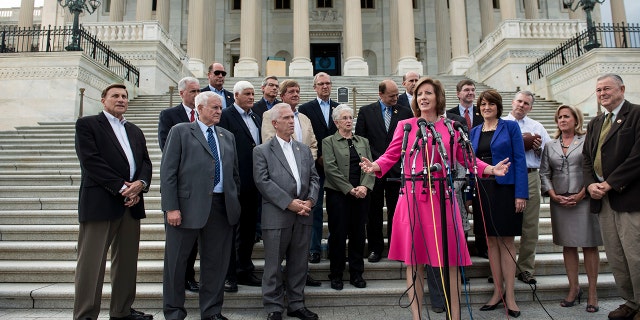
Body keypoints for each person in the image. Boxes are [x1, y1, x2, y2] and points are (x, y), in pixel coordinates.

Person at [360, 77, 510, 320]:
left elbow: (467, 157)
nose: (423, 98)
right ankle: (417, 316)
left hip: (443, 198)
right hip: (412, 199)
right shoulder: (406, 125)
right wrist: (374, 165)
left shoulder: (451, 127)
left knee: (449, 259)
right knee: (415, 261)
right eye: (419, 94)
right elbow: (391, 155)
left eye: (428, 93)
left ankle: (455, 316)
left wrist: (491, 169)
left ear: (438, 97)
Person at [73, 83, 153, 320]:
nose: (121, 99)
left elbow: (146, 163)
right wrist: (122, 188)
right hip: (101, 203)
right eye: (115, 96)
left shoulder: (135, 131)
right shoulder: (88, 125)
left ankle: (121, 311)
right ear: (103, 100)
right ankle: (86, 314)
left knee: (127, 263)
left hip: (131, 205)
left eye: (124, 96)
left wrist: (140, 184)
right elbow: (91, 161)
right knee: (91, 265)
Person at [160, 91, 240, 320]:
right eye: (214, 107)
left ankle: (212, 311)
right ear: (199, 109)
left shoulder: (227, 136)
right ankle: (174, 312)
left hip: (221, 208)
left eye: (220, 108)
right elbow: (168, 173)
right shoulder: (181, 132)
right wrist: (171, 207)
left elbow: (234, 174)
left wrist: (233, 202)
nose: (219, 111)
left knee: (215, 264)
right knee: (176, 264)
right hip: (185, 209)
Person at [253, 104, 320, 320]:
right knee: (273, 264)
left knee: (299, 263)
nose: (292, 121)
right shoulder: (262, 150)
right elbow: (262, 181)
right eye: (286, 118)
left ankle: (296, 304)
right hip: (277, 214)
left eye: (293, 117)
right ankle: (273, 306)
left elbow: (314, 178)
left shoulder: (303, 149)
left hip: (303, 214)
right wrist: (289, 202)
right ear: (275, 123)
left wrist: (309, 201)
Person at [583, 73, 640, 320]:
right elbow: (586, 158)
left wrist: (610, 183)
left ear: (622, 89)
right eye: (598, 90)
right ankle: (631, 302)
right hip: (603, 201)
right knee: (616, 255)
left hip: (628, 197)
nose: (602, 93)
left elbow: (637, 157)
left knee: (635, 253)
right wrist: (590, 186)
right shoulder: (596, 122)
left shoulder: (636, 115)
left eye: (607, 88)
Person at [470, 89, 527, 318]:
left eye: (490, 104)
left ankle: (511, 296)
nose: (486, 107)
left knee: (506, 242)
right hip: (483, 190)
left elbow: (520, 160)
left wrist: (521, 194)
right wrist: (468, 196)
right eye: (483, 104)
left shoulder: (510, 127)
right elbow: (469, 163)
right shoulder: (473, 131)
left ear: (498, 106)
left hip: (507, 189)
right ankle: (497, 293)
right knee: (491, 243)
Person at [540, 104, 602, 312]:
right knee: (568, 245)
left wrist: (582, 193)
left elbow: (595, 168)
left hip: (583, 199)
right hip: (560, 201)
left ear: (576, 119)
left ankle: (592, 292)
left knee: (589, 245)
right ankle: (573, 289)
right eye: (559, 117)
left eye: (567, 116)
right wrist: (553, 194)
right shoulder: (550, 145)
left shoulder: (587, 141)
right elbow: (544, 173)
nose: (562, 120)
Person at [355, 79, 413, 263]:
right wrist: (376, 162)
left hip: (397, 170)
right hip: (374, 169)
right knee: (374, 212)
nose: (396, 98)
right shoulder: (366, 111)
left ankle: (398, 248)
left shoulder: (405, 111)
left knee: (397, 212)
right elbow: (361, 141)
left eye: (397, 95)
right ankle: (375, 248)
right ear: (380, 94)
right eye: (391, 96)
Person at [157, 76, 201, 293]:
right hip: (180, 185)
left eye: (198, 91)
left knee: (193, 242)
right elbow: (167, 148)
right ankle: (175, 282)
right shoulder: (168, 116)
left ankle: (189, 276)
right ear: (182, 93)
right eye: (192, 91)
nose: (196, 95)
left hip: (200, 189)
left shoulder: (204, 116)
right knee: (177, 242)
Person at [323, 104, 375, 290]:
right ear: (336, 122)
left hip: (361, 194)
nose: (348, 121)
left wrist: (364, 186)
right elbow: (330, 169)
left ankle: (356, 274)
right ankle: (336, 275)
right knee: (338, 235)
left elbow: (371, 167)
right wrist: (349, 189)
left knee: (358, 235)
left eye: (350, 118)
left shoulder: (363, 141)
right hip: (339, 195)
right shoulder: (328, 141)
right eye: (344, 118)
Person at [218, 81, 262, 292]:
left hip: (254, 185)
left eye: (253, 93)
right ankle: (229, 275)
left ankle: (245, 269)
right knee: (231, 232)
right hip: (234, 183)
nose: (252, 97)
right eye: (247, 94)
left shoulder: (255, 117)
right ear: (235, 95)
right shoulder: (225, 116)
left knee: (248, 231)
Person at [503, 90, 550, 285]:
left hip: (530, 174)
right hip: (507, 176)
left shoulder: (536, 127)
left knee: (530, 225)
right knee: (504, 225)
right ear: (513, 102)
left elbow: (548, 156)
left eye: (526, 103)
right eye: (519, 101)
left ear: (530, 107)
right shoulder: (501, 124)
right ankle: (504, 268)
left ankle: (525, 268)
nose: (522, 105)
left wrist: (537, 147)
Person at [299, 72, 338, 264]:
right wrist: (318, 157)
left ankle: (333, 245)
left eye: (328, 83)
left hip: (336, 168)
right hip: (314, 166)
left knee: (335, 208)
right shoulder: (305, 109)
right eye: (321, 84)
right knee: (313, 207)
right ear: (314, 87)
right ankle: (313, 247)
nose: (325, 86)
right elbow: (305, 135)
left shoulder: (338, 108)